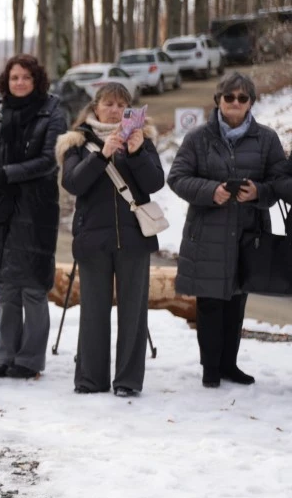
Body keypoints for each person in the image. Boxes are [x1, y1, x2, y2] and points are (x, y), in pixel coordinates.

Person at [167, 72, 291, 388]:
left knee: (237, 302)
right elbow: (178, 177)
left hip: (249, 234)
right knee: (209, 303)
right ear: (218, 100)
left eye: (242, 98)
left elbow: (280, 182)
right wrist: (212, 191)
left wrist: (259, 193)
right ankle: (210, 368)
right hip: (206, 232)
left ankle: (230, 365)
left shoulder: (266, 139)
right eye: (229, 97)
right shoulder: (197, 138)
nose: (235, 103)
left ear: (251, 102)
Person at [59, 83, 165, 397]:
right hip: (93, 240)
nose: (115, 110)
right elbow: (74, 183)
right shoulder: (77, 140)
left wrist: (134, 154)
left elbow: (155, 182)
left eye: (121, 104)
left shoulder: (142, 139)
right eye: (109, 103)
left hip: (134, 239)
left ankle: (128, 381)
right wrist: (102, 155)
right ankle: (91, 379)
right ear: (96, 107)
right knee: (93, 311)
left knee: (133, 312)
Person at [0, 54, 67, 380]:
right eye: (14, 77)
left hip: (36, 208)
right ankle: (6, 356)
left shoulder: (53, 111)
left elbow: (49, 159)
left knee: (32, 288)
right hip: (2, 209)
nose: (19, 83)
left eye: (25, 78)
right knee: (6, 289)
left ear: (36, 80)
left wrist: (9, 174)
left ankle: (29, 361)